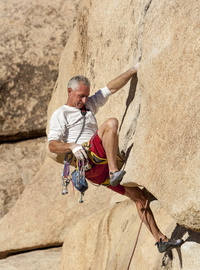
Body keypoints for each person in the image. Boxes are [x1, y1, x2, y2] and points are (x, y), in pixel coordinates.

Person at [48, 63, 183, 253]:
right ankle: (114, 171)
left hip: (98, 172)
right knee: (111, 123)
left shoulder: (87, 106)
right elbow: (52, 145)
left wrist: (134, 70)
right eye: (81, 96)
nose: (85, 99)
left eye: (87, 95)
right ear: (69, 91)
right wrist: (72, 145)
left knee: (140, 198)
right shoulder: (61, 114)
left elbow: (110, 88)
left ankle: (160, 239)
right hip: (89, 159)